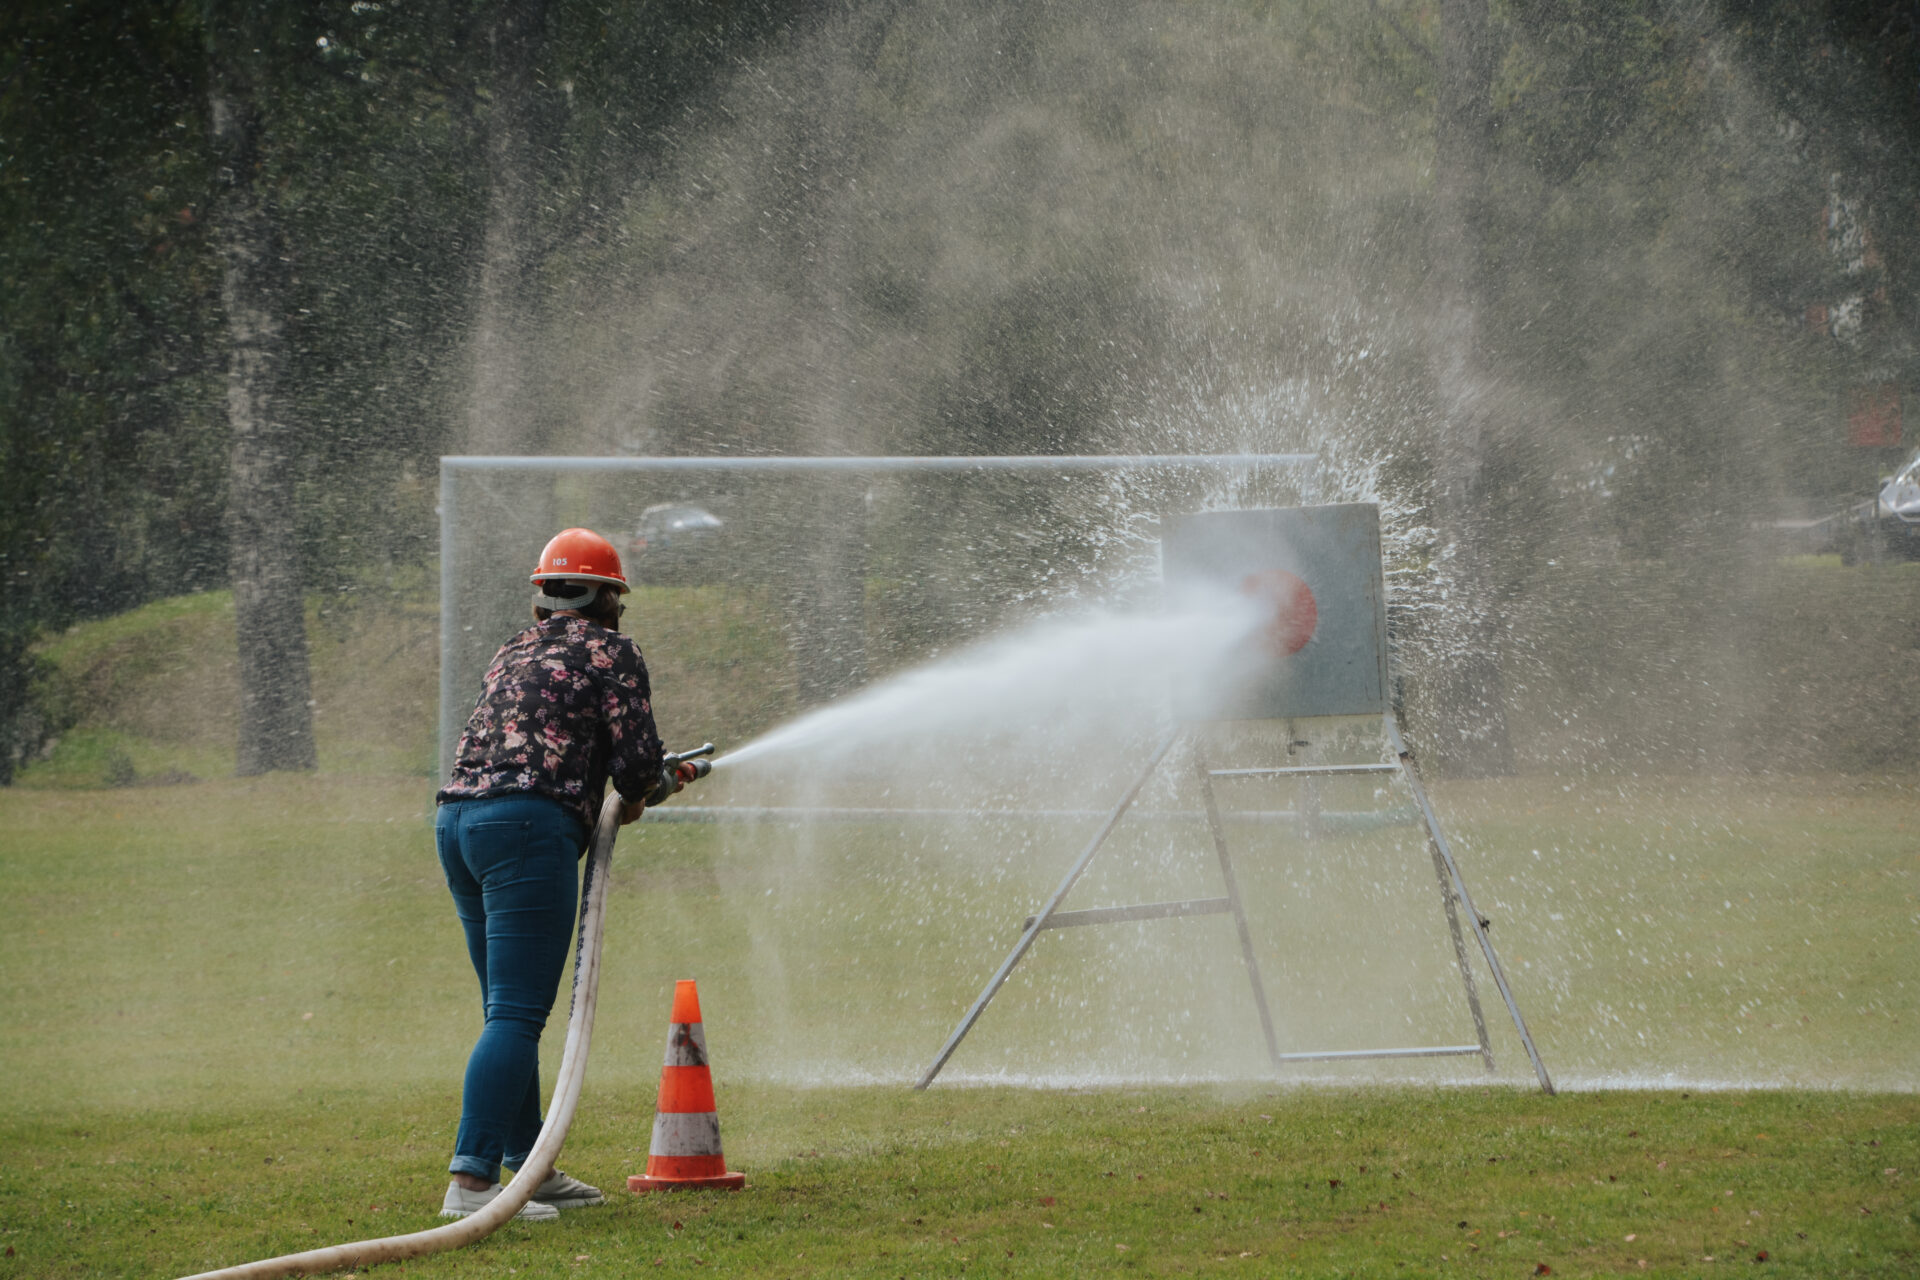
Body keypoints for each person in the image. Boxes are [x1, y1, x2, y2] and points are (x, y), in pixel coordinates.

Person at [432, 527, 685, 1220]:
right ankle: (472, 1182)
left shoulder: (513, 648)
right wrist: (657, 784)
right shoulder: (613, 651)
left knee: (505, 1010)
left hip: (457, 824)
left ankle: (528, 1167)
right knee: (517, 1014)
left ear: (545, 594)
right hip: (524, 828)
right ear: (607, 598)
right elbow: (636, 771)